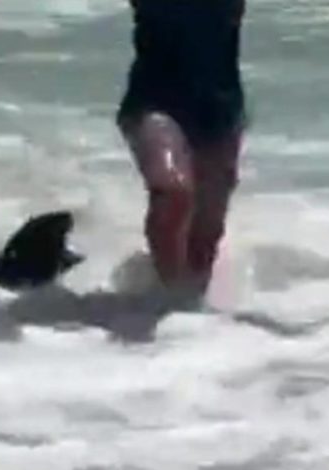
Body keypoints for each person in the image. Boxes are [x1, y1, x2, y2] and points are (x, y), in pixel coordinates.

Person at [117, 0, 246, 294]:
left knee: (205, 235)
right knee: (173, 192)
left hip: (219, 107)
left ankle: (188, 318)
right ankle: (167, 302)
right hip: (154, 100)